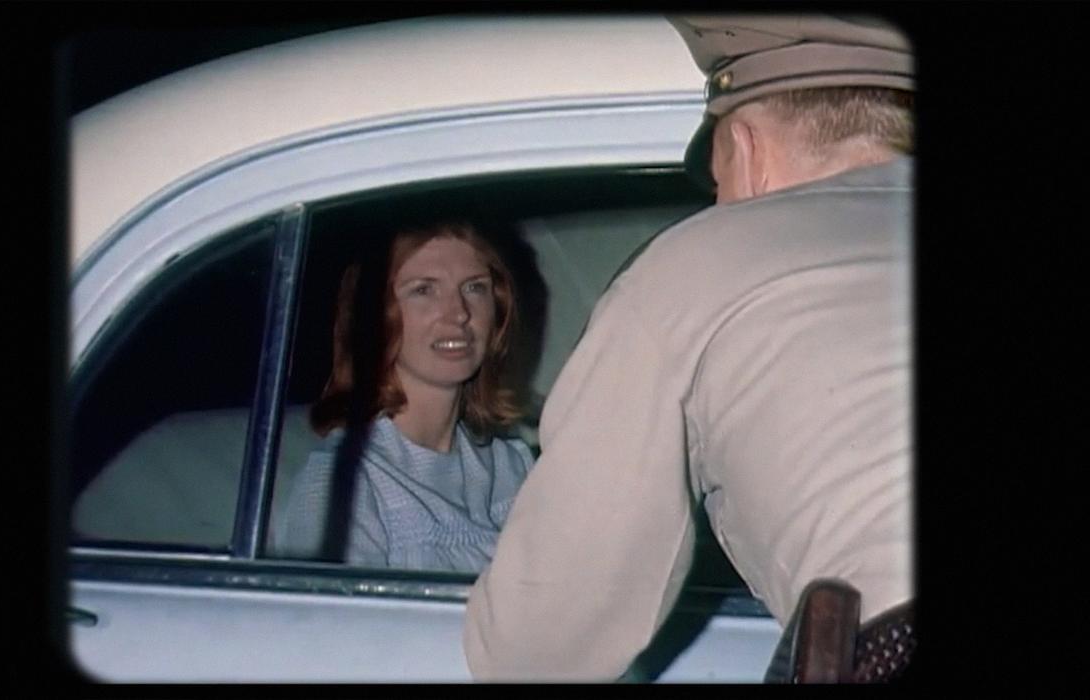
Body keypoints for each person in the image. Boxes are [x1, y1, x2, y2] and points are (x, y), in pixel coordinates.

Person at [463, 14, 915, 681]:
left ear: (746, 149)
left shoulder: (695, 263)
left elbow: (540, 651)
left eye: (716, 181)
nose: (719, 203)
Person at [269, 220, 535, 573]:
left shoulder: (512, 466)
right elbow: (331, 625)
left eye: (474, 288)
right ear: (376, 316)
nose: (458, 313)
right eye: (424, 290)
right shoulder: (341, 484)